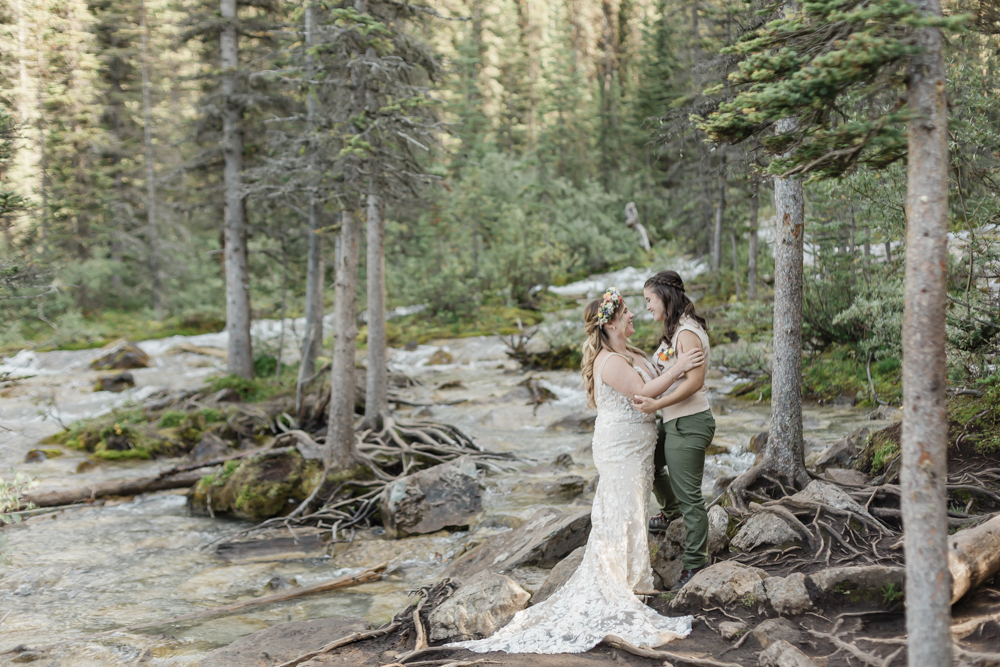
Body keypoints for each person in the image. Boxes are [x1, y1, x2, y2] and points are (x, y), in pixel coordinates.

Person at [446, 287, 701, 654]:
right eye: (626, 311)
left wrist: (672, 361)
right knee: (621, 511)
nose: (632, 316)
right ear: (611, 323)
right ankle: (622, 587)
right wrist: (679, 367)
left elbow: (653, 376)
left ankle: (633, 582)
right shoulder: (610, 362)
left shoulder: (629, 352)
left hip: (636, 445)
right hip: (621, 447)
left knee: (631, 511)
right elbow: (644, 394)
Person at [634, 270, 716, 591]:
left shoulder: (686, 333)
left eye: (649, 300)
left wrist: (657, 404)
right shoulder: (674, 331)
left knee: (692, 499)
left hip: (689, 421)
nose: (647, 307)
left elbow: (694, 382)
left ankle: (696, 564)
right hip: (674, 421)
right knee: (649, 462)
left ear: (665, 297)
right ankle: (669, 512)